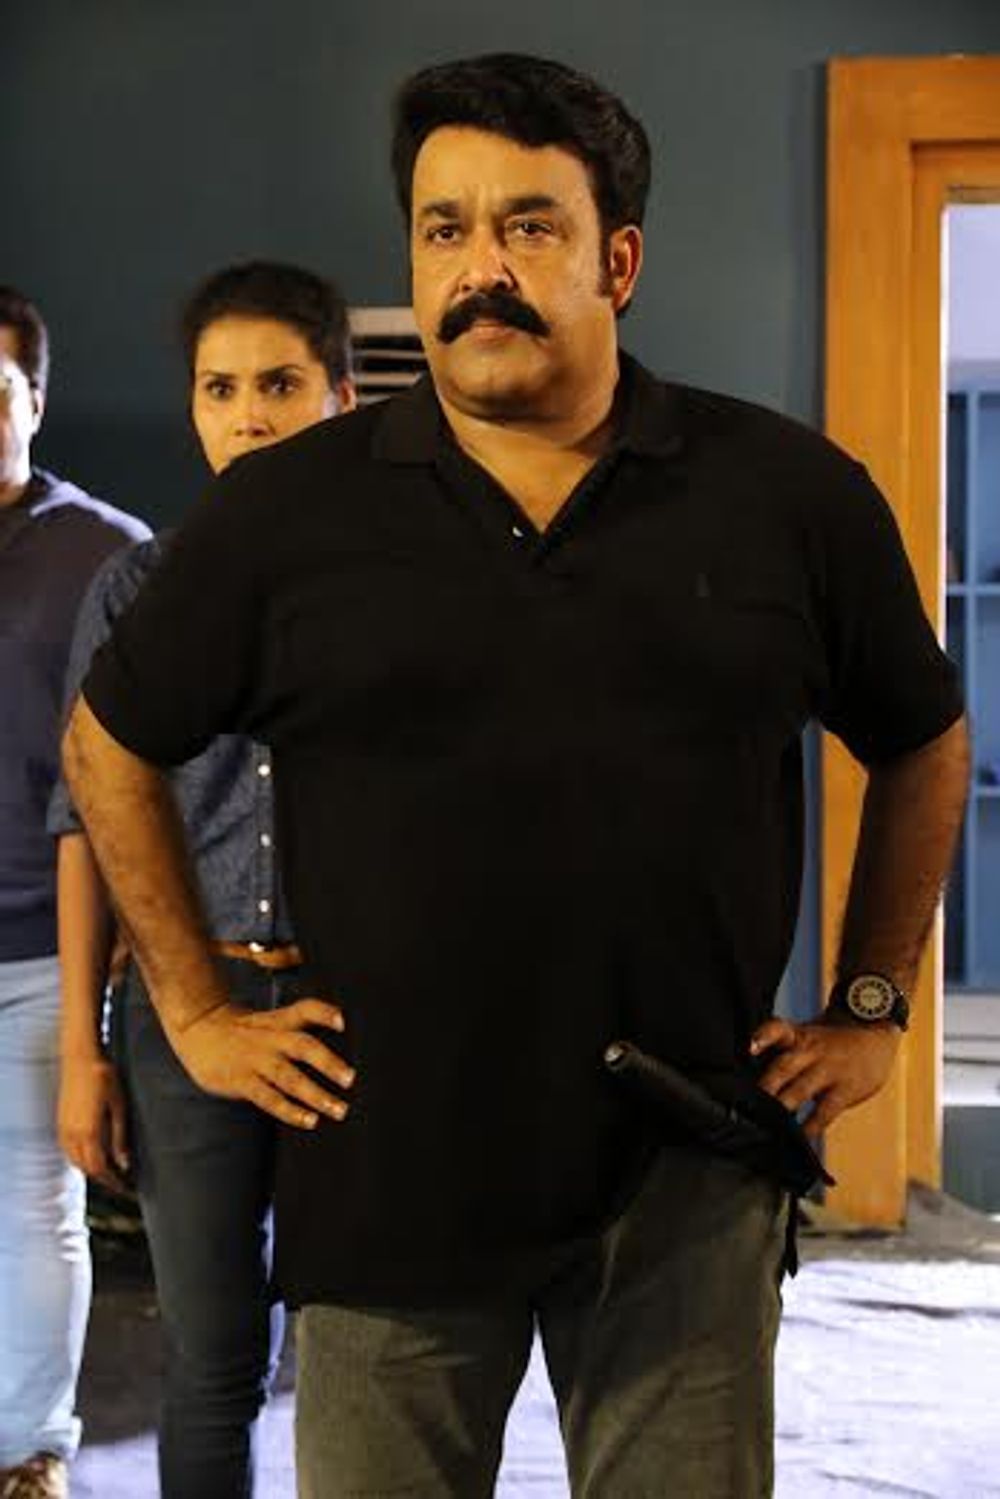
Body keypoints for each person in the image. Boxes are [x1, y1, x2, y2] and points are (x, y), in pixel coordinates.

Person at [62, 53, 970, 1499]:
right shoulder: (288, 513)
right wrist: (192, 1008)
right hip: (387, 1168)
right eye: (445, 229)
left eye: (529, 226)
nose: (480, 269)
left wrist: (871, 1005)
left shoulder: (786, 495)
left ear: (619, 261)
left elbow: (923, 734)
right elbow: (107, 741)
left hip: (684, 1163)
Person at [48, 261, 355, 1499]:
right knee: (213, 1354)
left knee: (368, 1347)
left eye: (279, 384)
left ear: (338, 396)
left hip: (356, 1008)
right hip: (188, 1008)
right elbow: (85, 820)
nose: (249, 416)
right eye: (219, 389)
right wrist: (85, 1049)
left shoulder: (398, 591)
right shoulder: (135, 588)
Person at [0, 286, 149, 1499]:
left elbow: (131, 774)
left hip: (42, 943)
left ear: (36, 402)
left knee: (34, 1206)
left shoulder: (106, 552)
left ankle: (31, 1445)